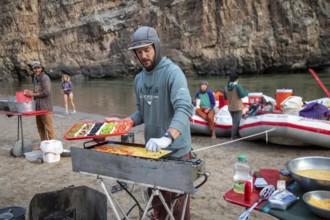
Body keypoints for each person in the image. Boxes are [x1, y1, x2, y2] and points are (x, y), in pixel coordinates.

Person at [127, 26, 194, 220]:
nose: (143, 56)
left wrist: (167, 137)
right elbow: (142, 111)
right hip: (153, 151)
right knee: (157, 203)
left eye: (147, 49)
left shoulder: (173, 73)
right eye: (139, 52)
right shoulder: (139, 79)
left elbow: (184, 108)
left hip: (177, 151)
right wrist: (126, 122)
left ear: (156, 46)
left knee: (179, 208)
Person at [24, 61, 55, 141]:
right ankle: (44, 143)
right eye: (35, 68)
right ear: (33, 69)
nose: (36, 70)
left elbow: (46, 92)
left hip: (45, 107)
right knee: (40, 128)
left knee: (48, 128)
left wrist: (33, 95)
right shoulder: (35, 78)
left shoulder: (45, 78)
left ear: (41, 68)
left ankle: (53, 145)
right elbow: (37, 92)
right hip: (37, 107)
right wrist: (30, 92)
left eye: (38, 68)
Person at [224, 72, 249, 140]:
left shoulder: (226, 87)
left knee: (234, 121)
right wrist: (247, 91)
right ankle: (233, 136)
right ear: (237, 79)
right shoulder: (237, 86)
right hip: (238, 107)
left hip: (230, 107)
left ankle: (235, 135)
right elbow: (242, 95)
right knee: (236, 122)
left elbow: (225, 98)